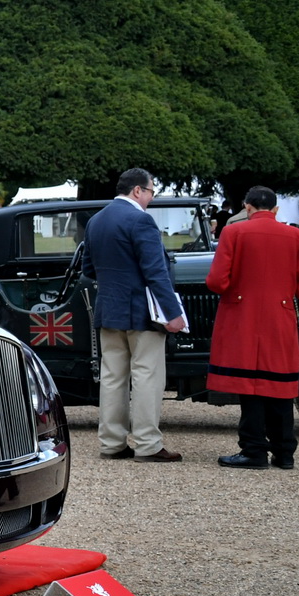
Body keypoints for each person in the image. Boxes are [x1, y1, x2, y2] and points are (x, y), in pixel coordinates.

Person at [83, 168, 188, 462]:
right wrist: (173, 313)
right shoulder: (140, 220)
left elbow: (88, 269)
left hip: (108, 307)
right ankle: (147, 444)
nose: (152, 198)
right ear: (138, 191)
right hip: (142, 311)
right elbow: (156, 272)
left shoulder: (96, 220)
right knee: (146, 376)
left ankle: (112, 443)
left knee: (112, 378)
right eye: (152, 192)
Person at [208, 186, 299, 470]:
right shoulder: (296, 236)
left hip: (243, 318)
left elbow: (217, 281)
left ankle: (254, 450)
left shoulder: (233, 233)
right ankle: (284, 452)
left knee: (250, 385)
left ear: (247, 207)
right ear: (275, 209)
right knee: (279, 383)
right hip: (280, 317)